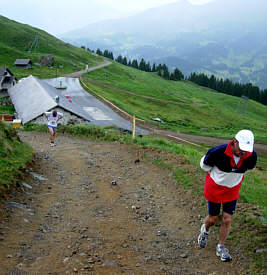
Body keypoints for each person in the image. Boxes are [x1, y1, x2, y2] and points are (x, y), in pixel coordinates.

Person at [198, 129, 257, 261]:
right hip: (215, 188)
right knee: (213, 219)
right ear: (234, 142)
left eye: (246, 149)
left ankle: (221, 246)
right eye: (241, 148)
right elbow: (204, 166)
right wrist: (221, 176)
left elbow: (249, 169)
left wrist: (232, 177)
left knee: (227, 219)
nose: (243, 152)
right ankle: (205, 230)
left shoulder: (251, 156)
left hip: (232, 190)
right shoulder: (217, 152)